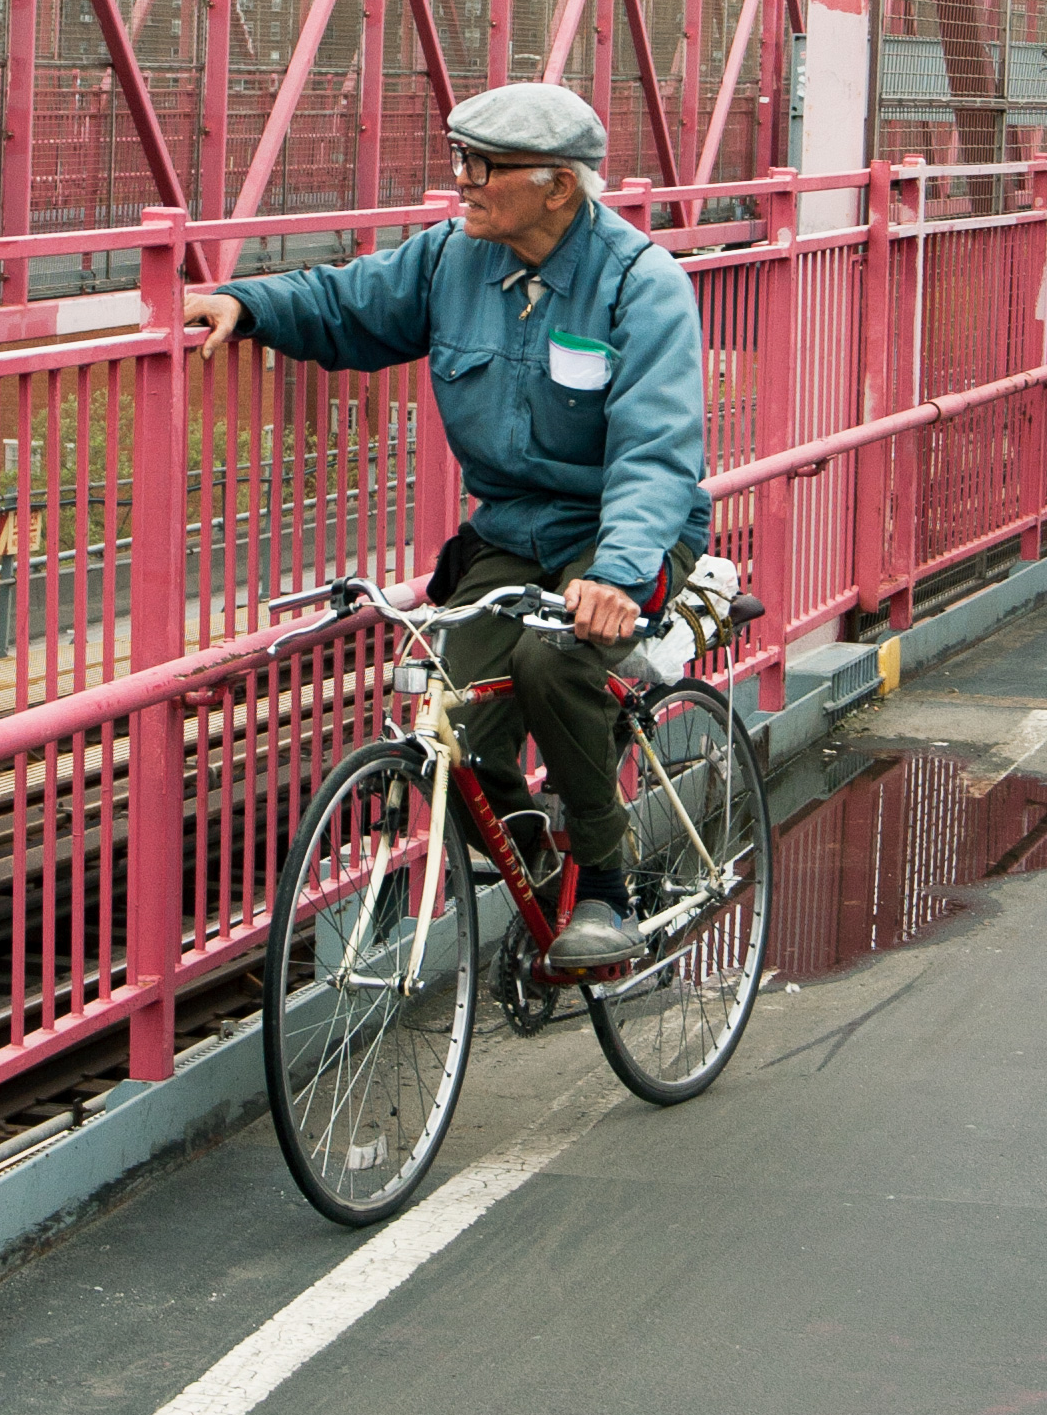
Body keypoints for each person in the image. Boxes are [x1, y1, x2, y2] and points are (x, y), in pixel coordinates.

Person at [181, 83, 710, 969]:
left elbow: (655, 452)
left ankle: (608, 887)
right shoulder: (452, 260)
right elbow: (350, 304)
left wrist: (618, 575)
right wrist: (249, 306)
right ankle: (535, 853)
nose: (461, 181)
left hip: (621, 531)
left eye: (483, 166)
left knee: (553, 661)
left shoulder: (639, 286)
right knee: (436, 712)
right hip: (511, 531)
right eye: (460, 158)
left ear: (557, 188)